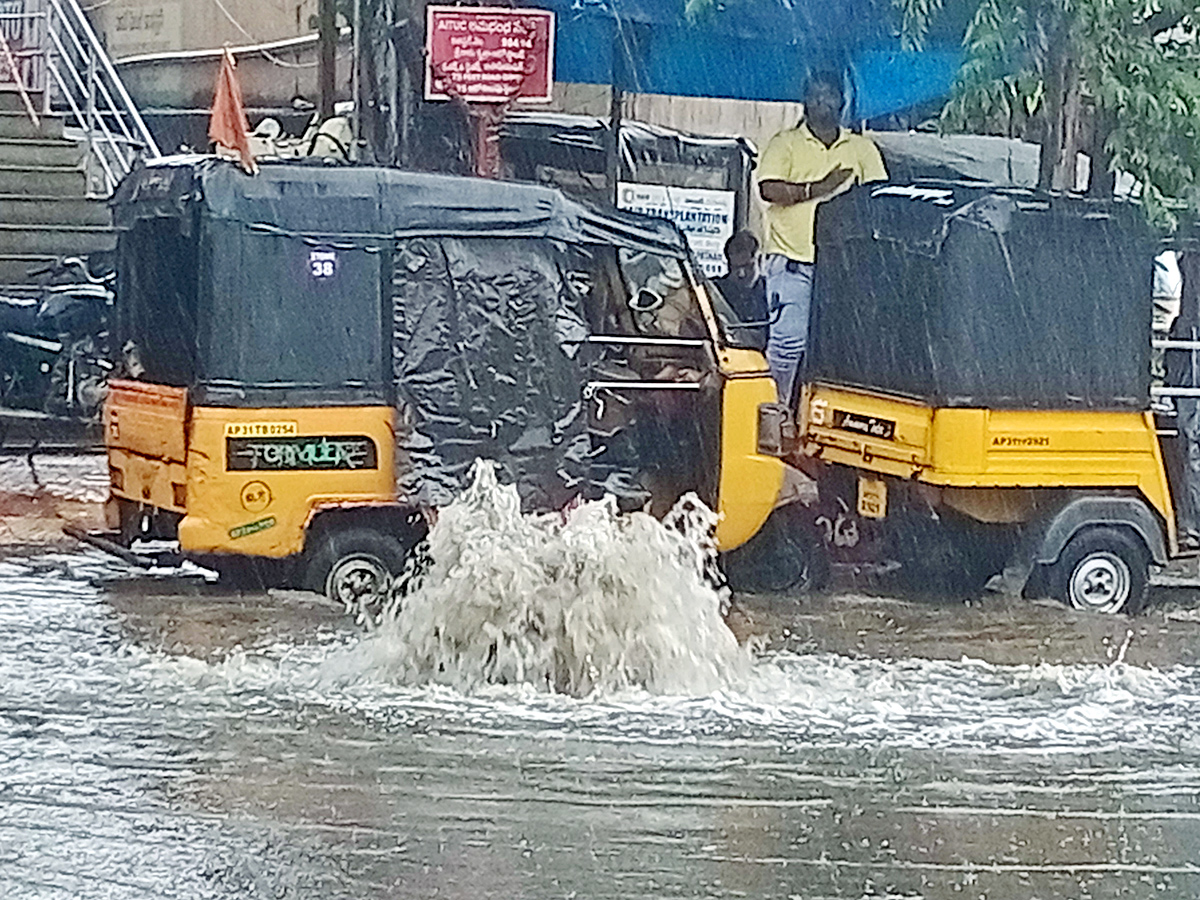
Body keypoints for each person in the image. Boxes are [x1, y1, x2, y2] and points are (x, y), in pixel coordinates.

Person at [757, 70, 887, 404]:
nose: (821, 103)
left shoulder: (861, 148)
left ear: (842, 102)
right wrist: (818, 188)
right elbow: (768, 188)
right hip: (792, 263)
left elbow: (879, 197)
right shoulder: (784, 143)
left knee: (839, 346)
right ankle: (776, 413)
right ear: (804, 101)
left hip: (844, 266)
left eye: (828, 95)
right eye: (814, 96)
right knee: (788, 344)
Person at [712, 231, 768, 348]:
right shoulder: (716, 291)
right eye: (735, 268)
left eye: (748, 266)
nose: (741, 274)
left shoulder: (771, 291)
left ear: (760, 260)